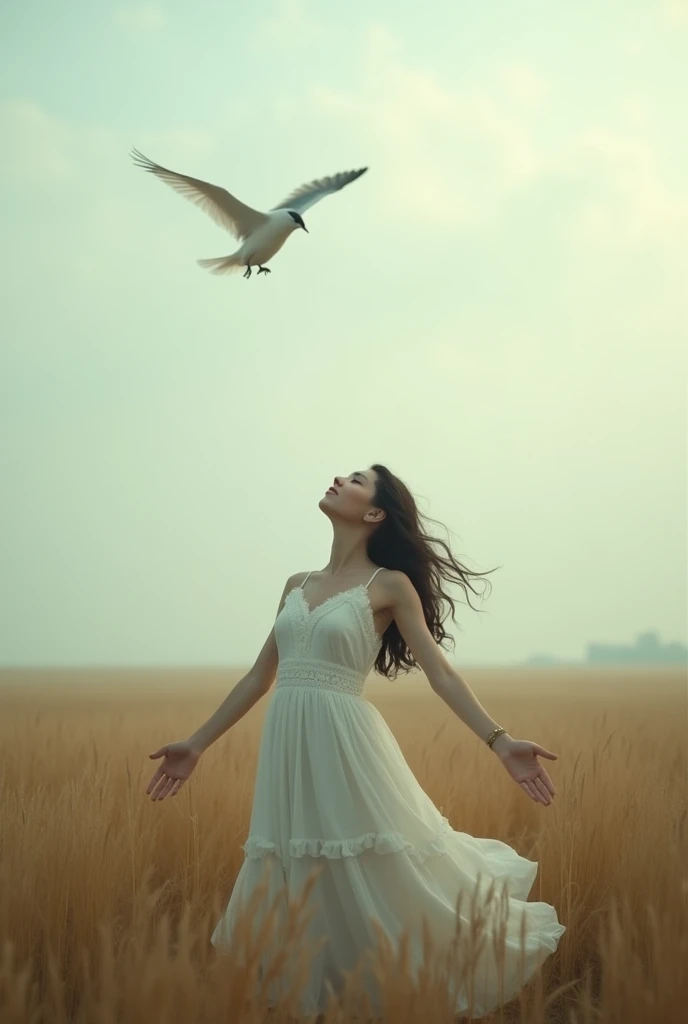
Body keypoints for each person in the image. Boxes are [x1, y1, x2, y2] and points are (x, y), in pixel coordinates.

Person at [146, 464, 566, 1018]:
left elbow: (440, 674)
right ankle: (321, 1000)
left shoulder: (388, 585)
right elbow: (259, 676)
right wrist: (197, 743)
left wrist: (499, 740)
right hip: (290, 744)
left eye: (358, 479)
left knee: (371, 862)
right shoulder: (296, 585)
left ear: (375, 513)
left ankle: (400, 990)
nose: (339, 477)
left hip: (347, 744)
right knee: (297, 863)